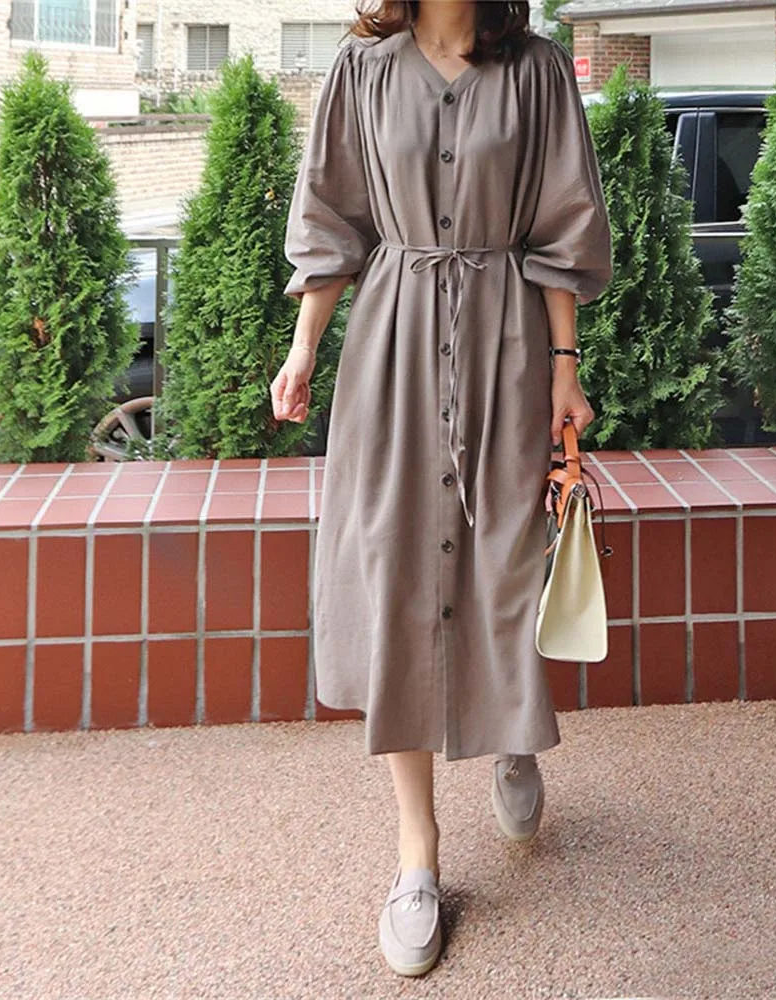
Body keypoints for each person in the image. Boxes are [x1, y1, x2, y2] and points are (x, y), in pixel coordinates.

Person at [270, 0, 613, 978]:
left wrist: (564, 366)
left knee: (506, 560)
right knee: (396, 572)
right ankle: (416, 855)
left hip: (507, 344)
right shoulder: (362, 70)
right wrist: (303, 350)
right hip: (393, 344)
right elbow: (332, 214)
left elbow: (559, 222)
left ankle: (512, 732)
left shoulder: (536, 71)